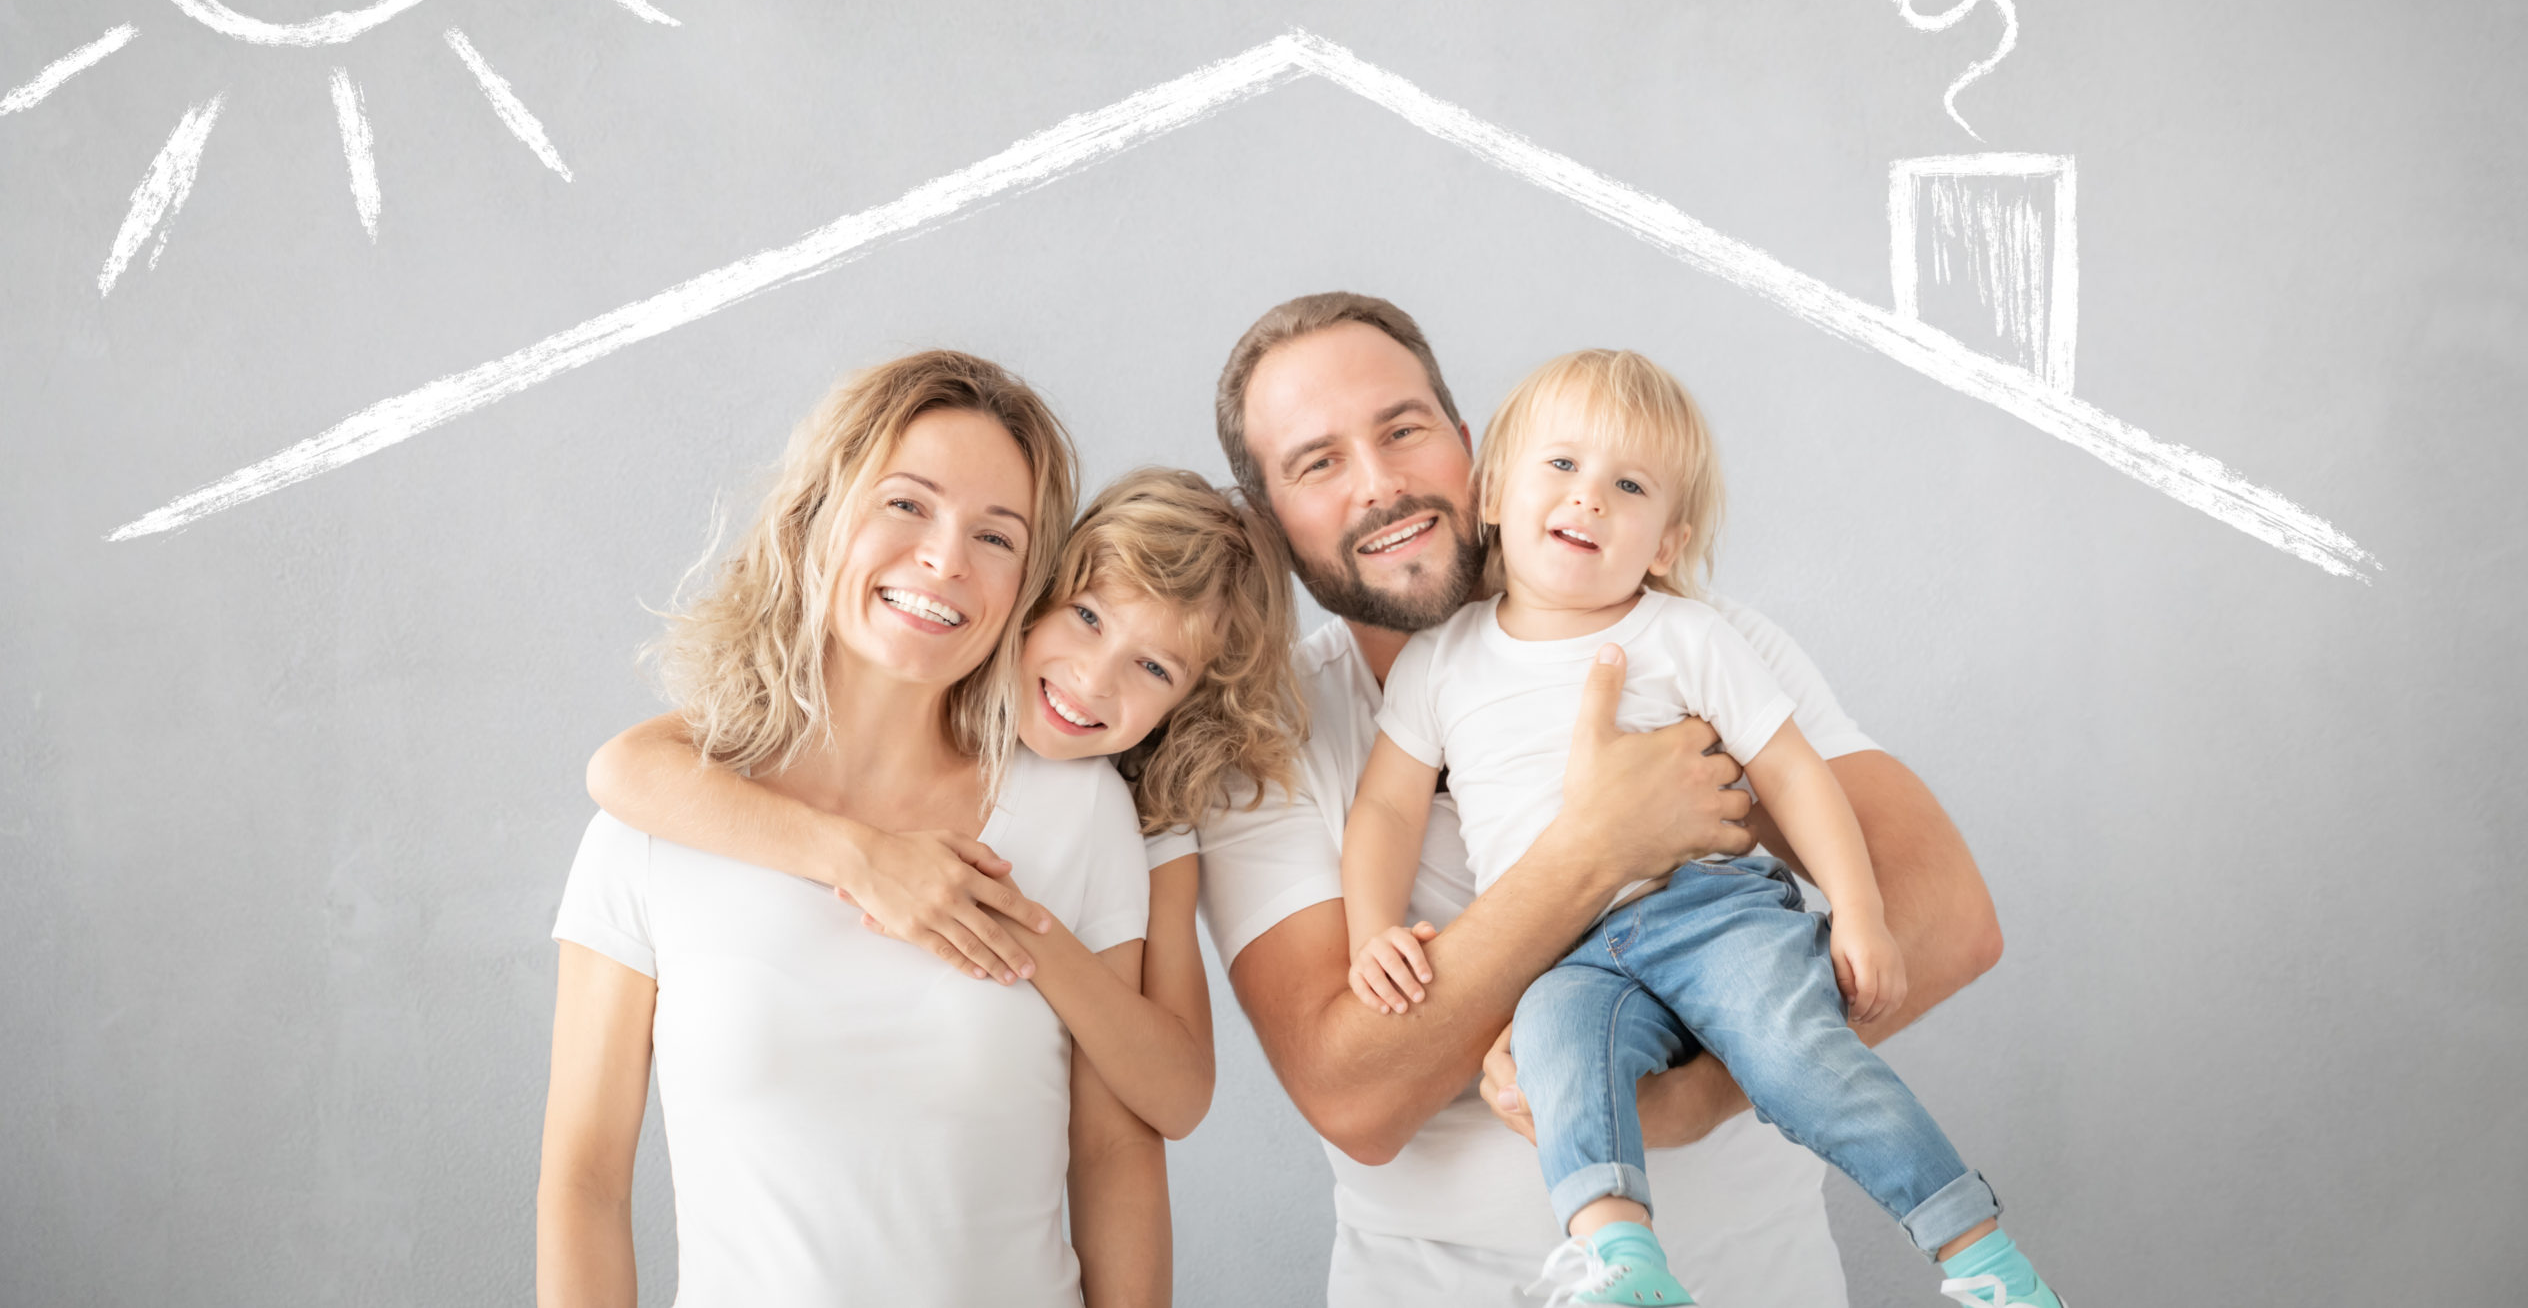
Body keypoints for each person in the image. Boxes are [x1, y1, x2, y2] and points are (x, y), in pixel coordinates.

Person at [1196, 292, 2007, 1308]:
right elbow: (1354, 1093)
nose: (1381, 483)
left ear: (1470, 450)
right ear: (1270, 520)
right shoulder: (1260, 745)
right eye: (1317, 463)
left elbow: (1946, 920)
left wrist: (1688, 1099)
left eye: (1402, 431)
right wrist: (1594, 847)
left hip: (1758, 1281)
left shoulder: (1688, 638)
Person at [535, 351, 1168, 1307]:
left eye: (996, 537)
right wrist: (861, 859)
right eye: (907, 504)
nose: (946, 559)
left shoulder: (1075, 810)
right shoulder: (656, 823)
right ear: (818, 512)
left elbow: (1116, 1150)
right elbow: (585, 1180)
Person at [574, 465, 1309, 1269]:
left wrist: (1025, 931)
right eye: (1089, 617)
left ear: (1190, 704)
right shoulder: (692, 801)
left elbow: (1166, 1101)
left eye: (1155, 667)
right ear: (1039, 594)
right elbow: (620, 770)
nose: (1094, 678)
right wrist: (865, 857)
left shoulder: (1133, 814)